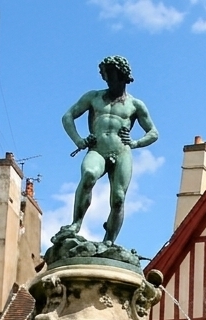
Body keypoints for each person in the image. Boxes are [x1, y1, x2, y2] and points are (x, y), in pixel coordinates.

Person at [61, 55, 158, 244]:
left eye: (110, 75)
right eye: (105, 75)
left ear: (122, 76)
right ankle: (76, 223)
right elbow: (68, 116)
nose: (107, 79)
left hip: (122, 151)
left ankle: (109, 240)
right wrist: (78, 140)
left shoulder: (135, 104)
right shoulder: (94, 97)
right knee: (89, 174)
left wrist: (135, 142)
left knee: (118, 198)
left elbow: (153, 132)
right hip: (97, 149)